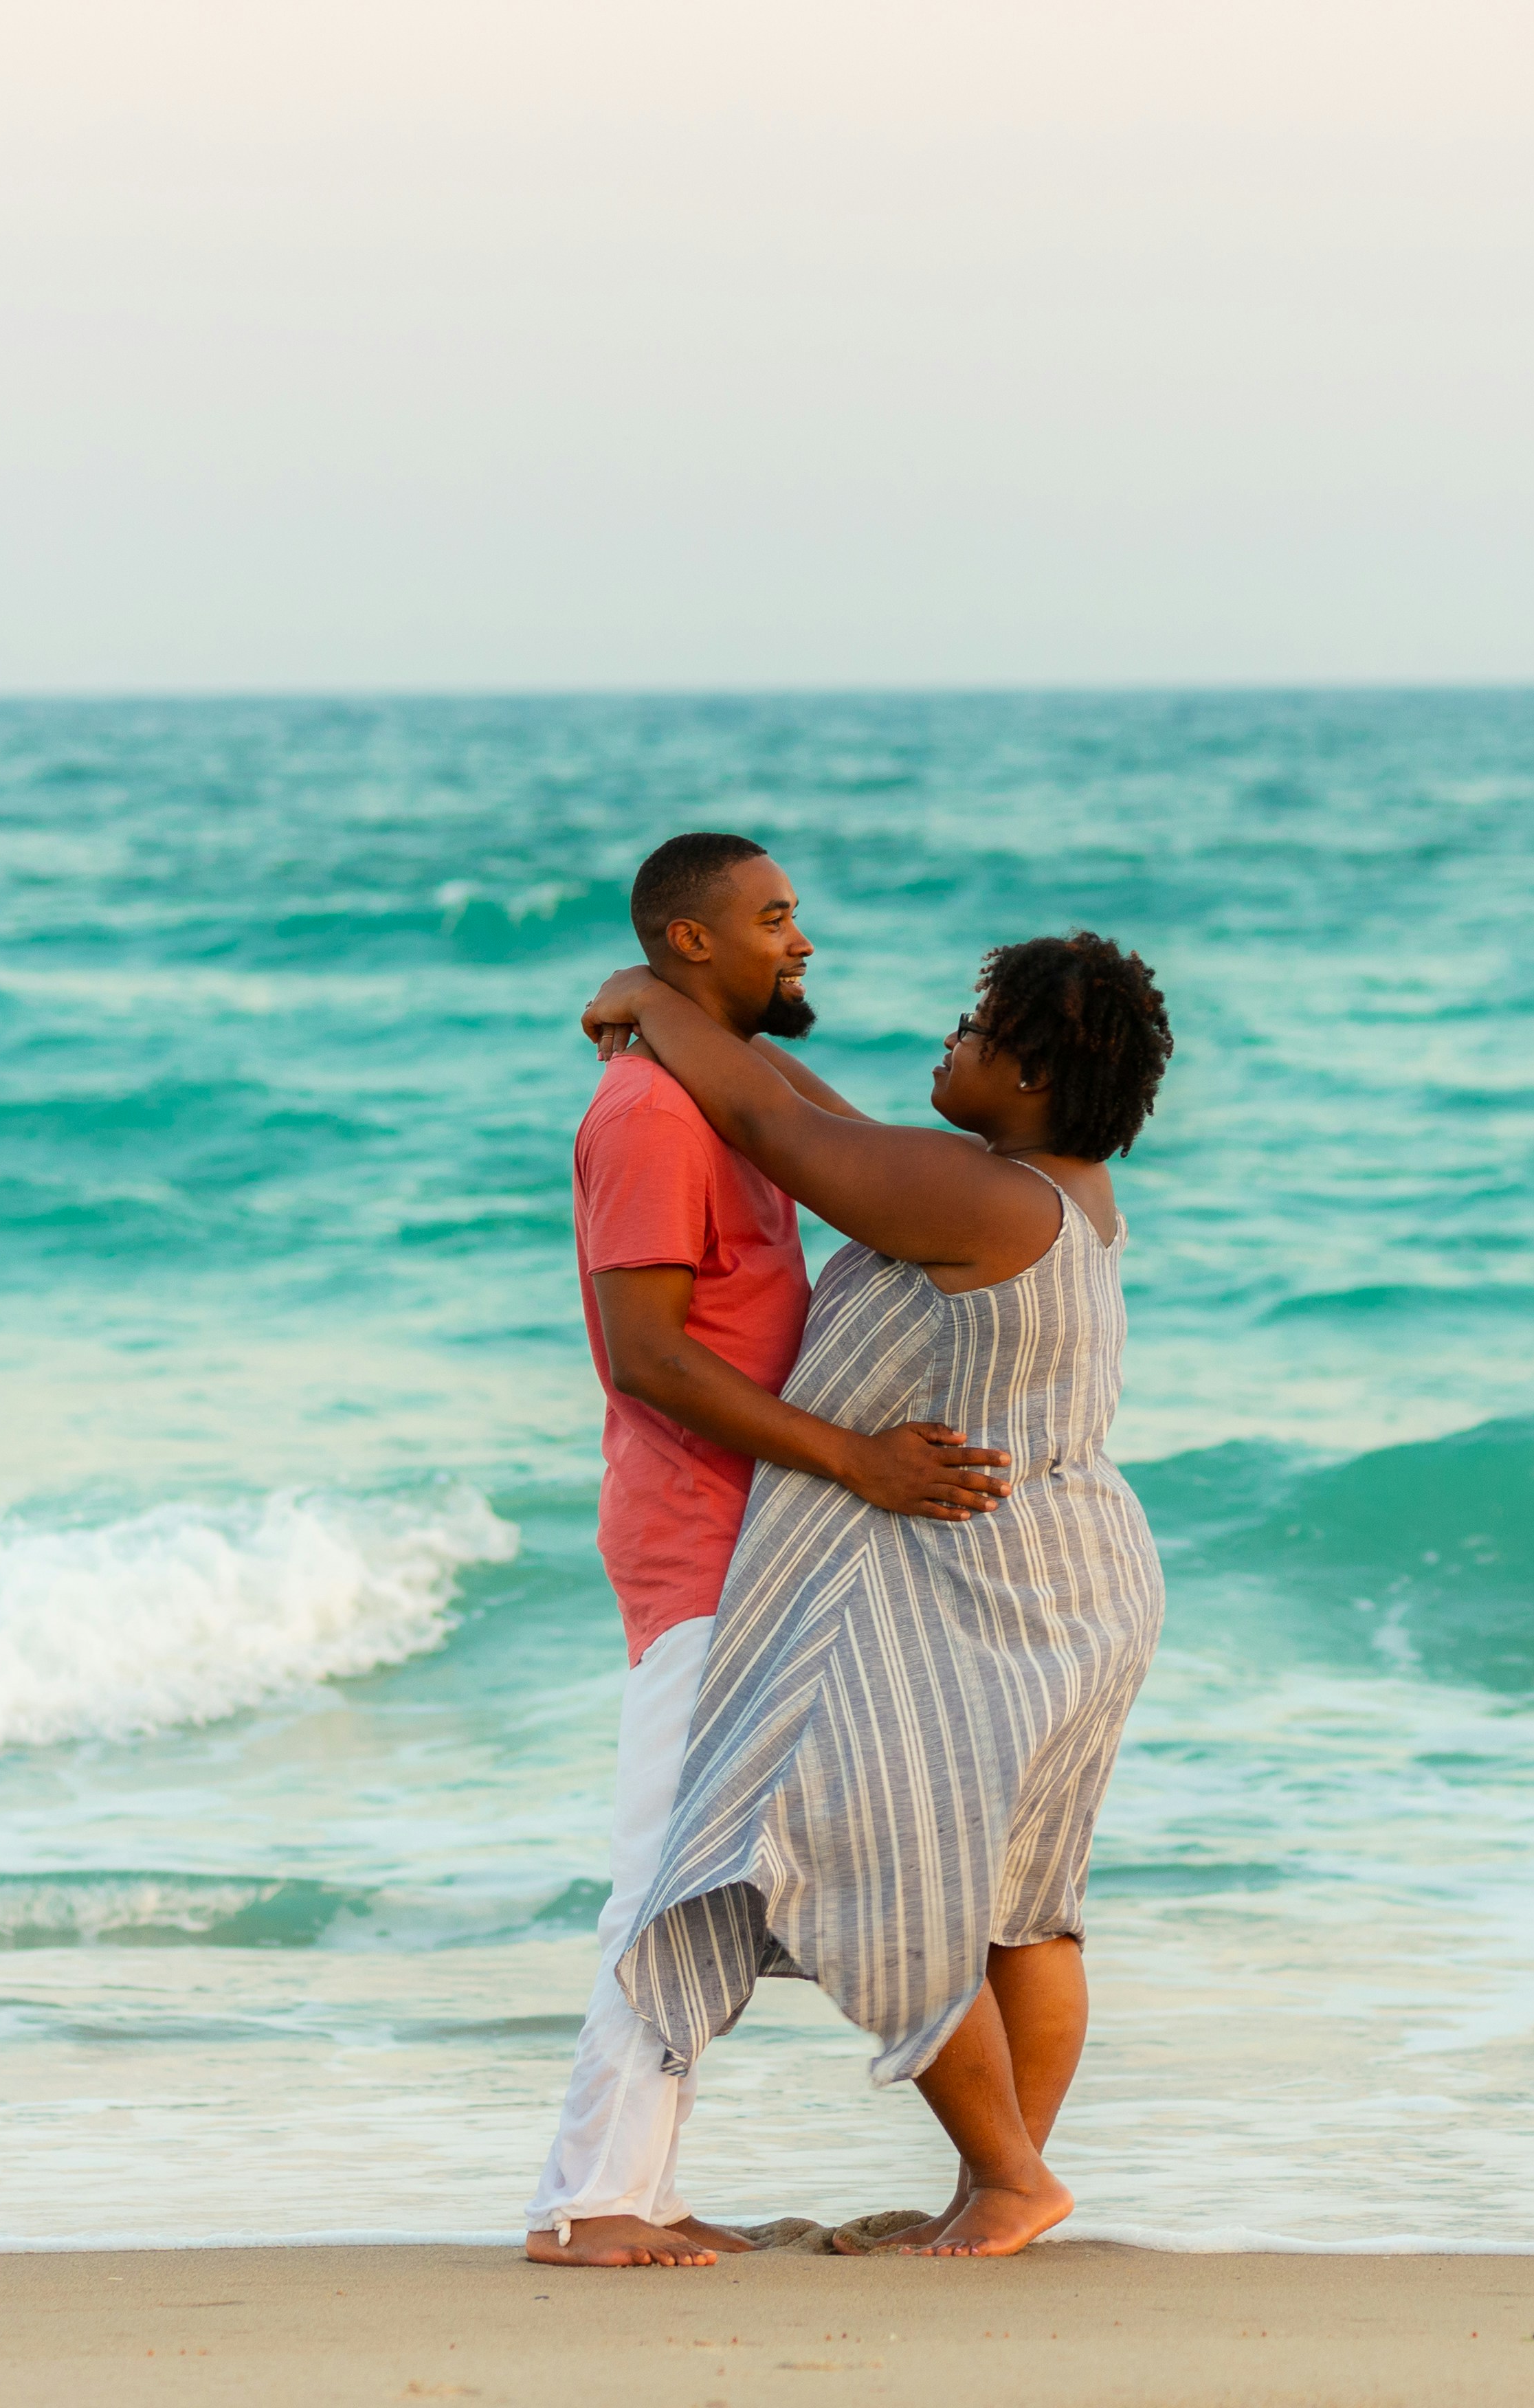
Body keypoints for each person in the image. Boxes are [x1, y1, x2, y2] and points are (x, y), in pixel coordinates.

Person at [581, 926, 1175, 2260]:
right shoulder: (1045, 1184)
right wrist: (704, 1033)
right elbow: (816, 1117)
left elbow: (766, 1124)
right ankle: (1002, 2187)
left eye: (974, 1034)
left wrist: (650, 1006)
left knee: (872, 1860)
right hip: (1071, 1565)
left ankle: (1009, 2178)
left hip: (1004, 1577)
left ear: (1022, 1076)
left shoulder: (984, 1205)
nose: (947, 1044)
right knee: (1026, 1901)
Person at [522, 832, 1020, 2271]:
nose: (800, 941)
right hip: (697, 1541)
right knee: (663, 1871)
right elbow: (650, 1359)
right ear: (693, 943)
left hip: (755, 1548)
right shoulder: (651, 1120)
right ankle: (589, 2201)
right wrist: (858, 1462)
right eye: (772, 919)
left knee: (714, 1877)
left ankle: (635, 2185)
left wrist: (642, 996)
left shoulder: (712, 1099)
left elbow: (834, 1126)